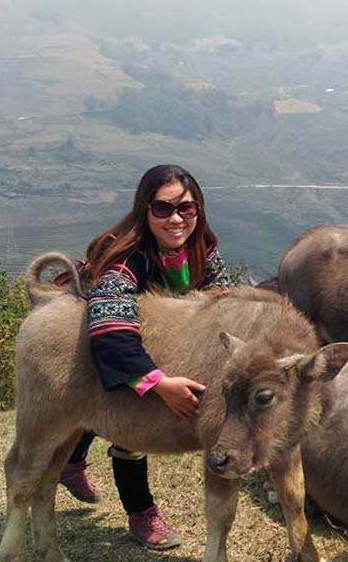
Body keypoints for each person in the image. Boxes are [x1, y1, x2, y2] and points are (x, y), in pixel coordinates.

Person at [58, 164, 232, 550]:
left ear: (198, 210)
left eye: (186, 209)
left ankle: (71, 462)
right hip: (106, 337)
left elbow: (222, 300)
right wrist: (158, 383)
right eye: (162, 209)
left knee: (101, 407)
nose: (176, 218)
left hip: (159, 340)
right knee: (129, 421)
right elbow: (112, 334)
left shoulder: (202, 250)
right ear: (145, 210)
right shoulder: (124, 262)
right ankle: (141, 513)